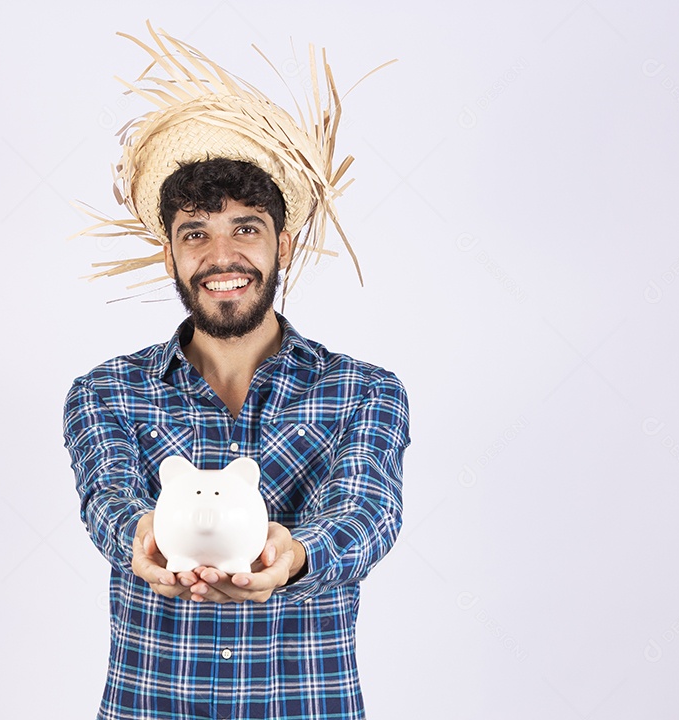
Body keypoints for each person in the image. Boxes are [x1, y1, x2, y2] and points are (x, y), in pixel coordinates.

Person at [64, 25, 410, 720]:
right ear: (169, 254)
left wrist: (296, 555)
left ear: (283, 243)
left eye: (245, 229)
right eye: (196, 233)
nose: (222, 256)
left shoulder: (364, 392)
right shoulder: (107, 393)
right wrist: (143, 536)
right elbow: (109, 496)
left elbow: (367, 511)